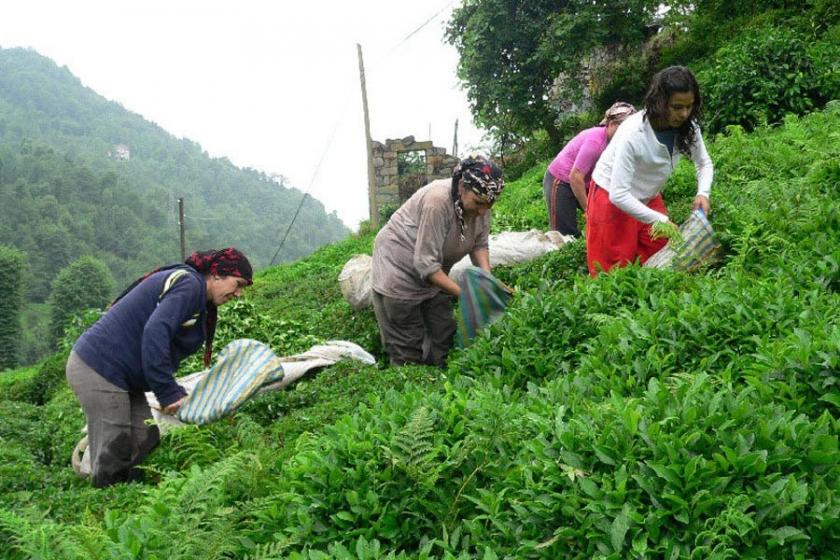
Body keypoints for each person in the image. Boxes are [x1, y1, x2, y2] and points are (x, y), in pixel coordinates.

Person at [65, 248, 253, 487]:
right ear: (217, 274)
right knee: (116, 442)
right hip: (99, 368)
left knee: (146, 435)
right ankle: (106, 501)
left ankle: (127, 490)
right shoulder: (190, 286)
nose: (238, 294)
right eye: (237, 284)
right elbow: (156, 332)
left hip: (124, 376)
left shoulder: (197, 296)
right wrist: (167, 392)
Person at [371, 156, 504, 367]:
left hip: (434, 275)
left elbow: (479, 244)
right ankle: (411, 389)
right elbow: (426, 264)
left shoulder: (482, 204)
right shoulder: (438, 202)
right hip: (398, 272)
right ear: (462, 187)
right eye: (478, 204)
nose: (482, 211)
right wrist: (468, 295)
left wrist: (487, 281)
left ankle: (441, 386)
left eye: (488, 206)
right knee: (407, 347)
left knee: (443, 334)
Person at [586, 66, 713, 276]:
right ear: (660, 102)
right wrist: (661, 220)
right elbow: (619, 195)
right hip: (611, 197)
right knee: (614, 270)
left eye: (689, 106)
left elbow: (703, 163)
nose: (684, 114)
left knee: (662, 251)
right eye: (676, 107)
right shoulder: (633, 133)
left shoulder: (688, 126)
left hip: (647, 194)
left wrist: (703, 193)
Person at [543, 101, 636, 236]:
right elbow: (575, 177)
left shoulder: (618, 144)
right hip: (561, 180)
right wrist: (588, 209)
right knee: (565, 232)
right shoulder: (595, 142)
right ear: (611, 124)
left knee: (604, 215)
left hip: (585, 180)